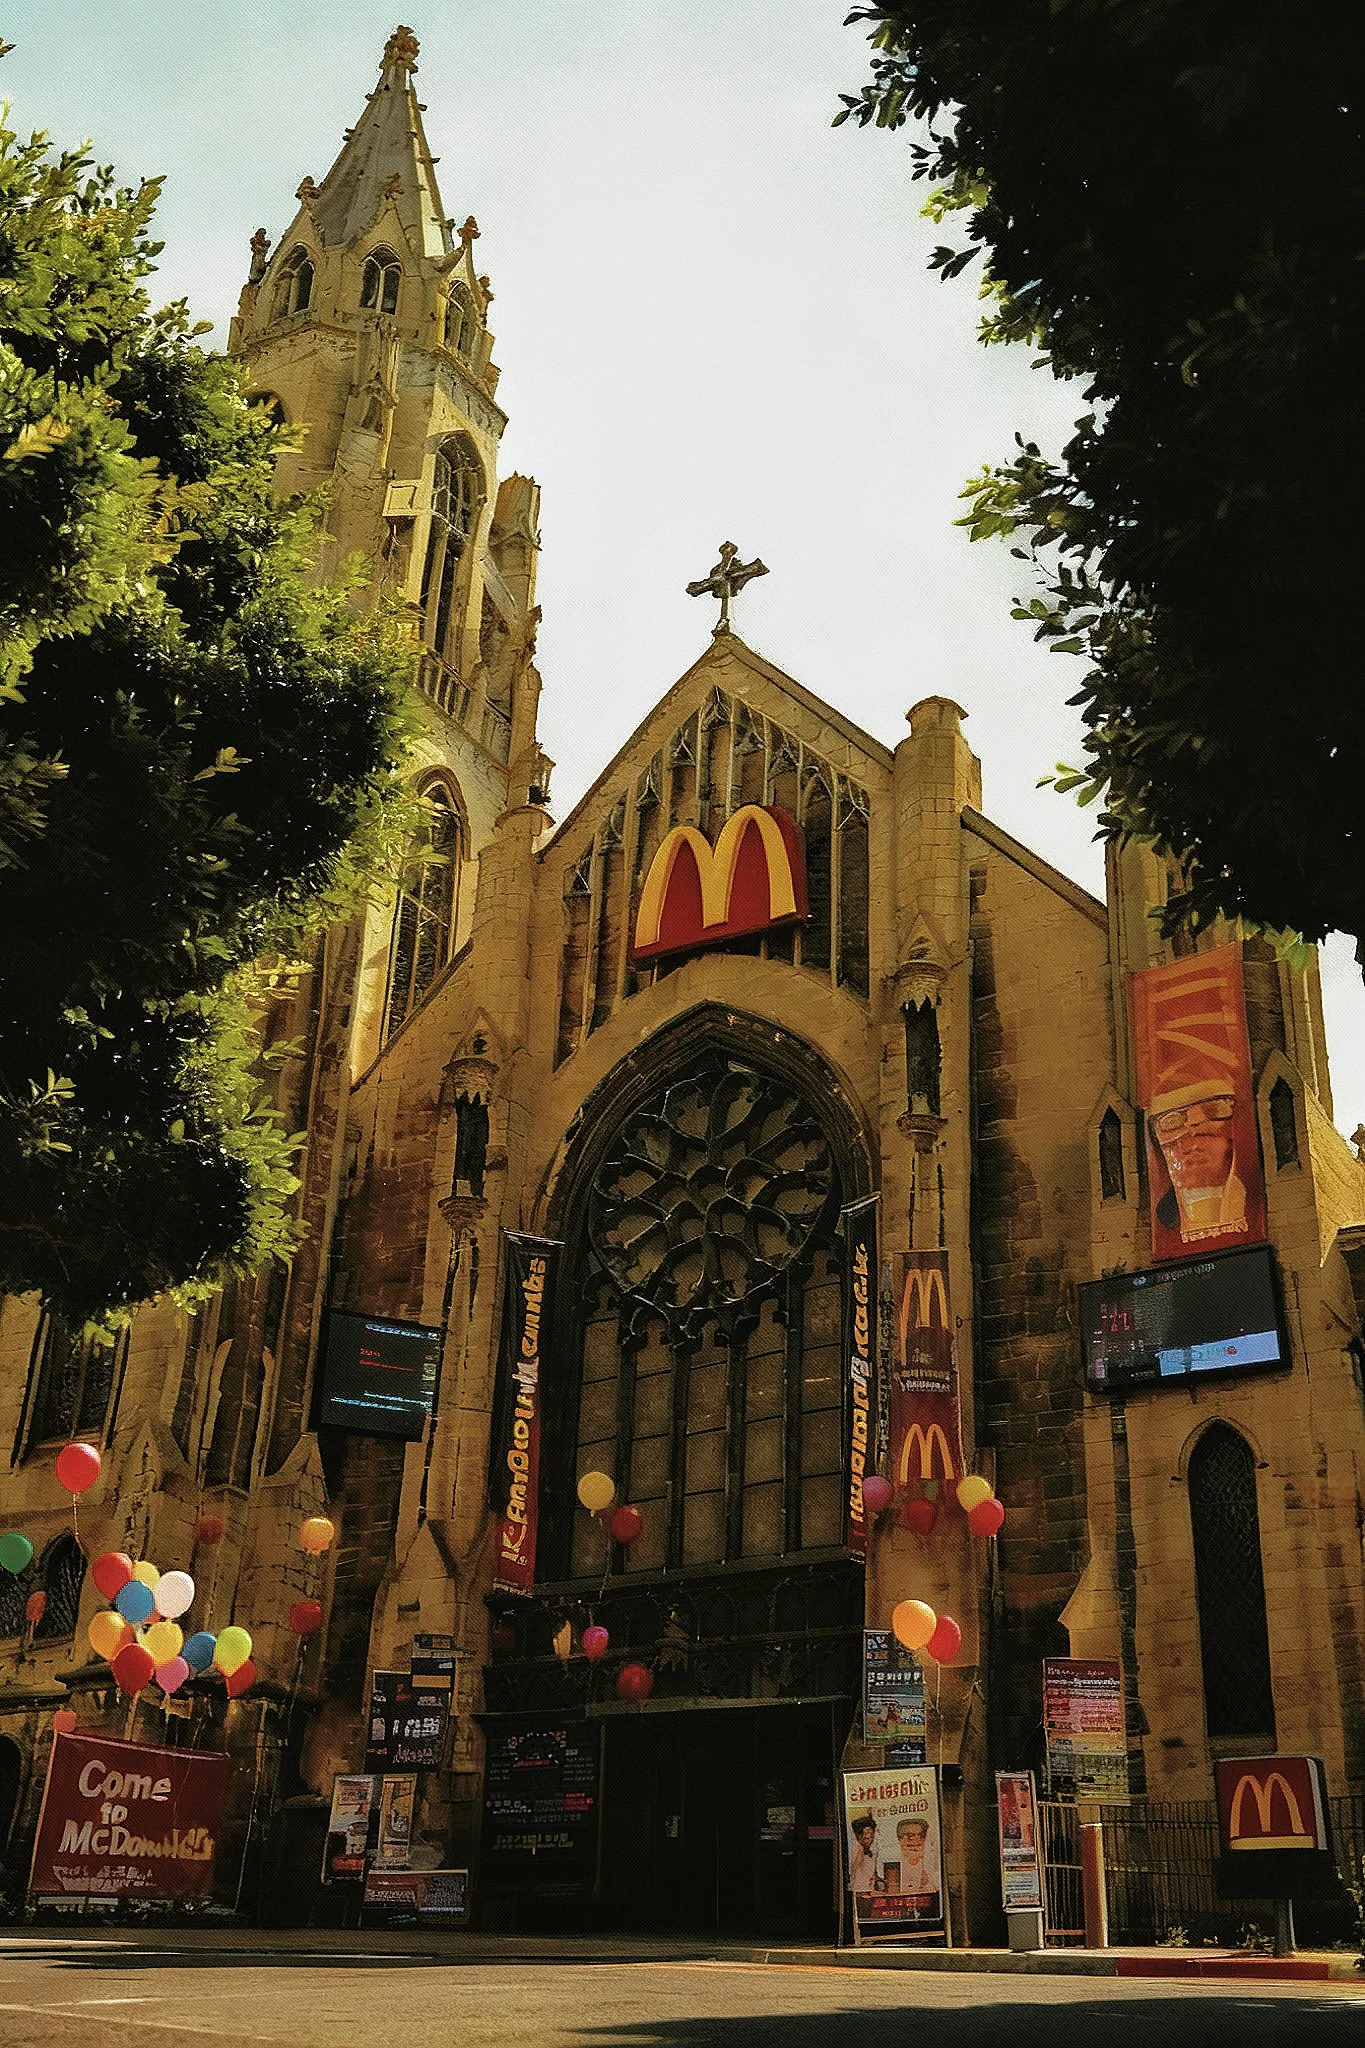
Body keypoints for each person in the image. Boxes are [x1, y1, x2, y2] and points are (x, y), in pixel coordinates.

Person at [1150, 1087, 1247, 1244]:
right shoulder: (1168, 1213)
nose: (1193, 1146)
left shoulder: (1244, 1197)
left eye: (1205, 1136)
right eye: (1172, 1120)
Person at [894, 1816, 939, 1901]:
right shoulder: (893, 1863)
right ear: (899, 1839)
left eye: (920, 1835)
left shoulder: (931, 1864)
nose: (915, 1838)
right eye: (909, 1835)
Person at [848, 1814, 878, 1894]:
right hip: (859, 1892)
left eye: (872, 1837)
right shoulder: (858, 1850)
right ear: (859, 1837)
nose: (870, 1841)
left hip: (870, 1891)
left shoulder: (871, 1852)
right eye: (866, 1838)